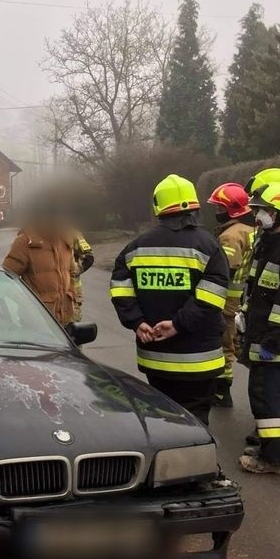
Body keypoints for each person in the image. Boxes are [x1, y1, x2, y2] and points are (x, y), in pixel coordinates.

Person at [110, 174, 229, 425]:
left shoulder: (135, 248)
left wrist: (137, 322)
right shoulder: (209, 247)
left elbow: (120, 289)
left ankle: (165, 463)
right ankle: (196, 463)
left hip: (154, 356)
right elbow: (211, 298)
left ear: (158, 208)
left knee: (162, 421)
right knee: (195, 423)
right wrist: (177, 325)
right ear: (194, 207)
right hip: (199, 360)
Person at [238, 182, 280, 475]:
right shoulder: (269, 243)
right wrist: (244, 314)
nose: (258, 216)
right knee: (270, 397)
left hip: (275, 342)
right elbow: (258, 290)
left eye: (264, 211)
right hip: (263, 335)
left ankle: (276, 460)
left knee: (271, 403)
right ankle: (273, 450)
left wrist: (274, 340)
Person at [206, 183, 255, 408]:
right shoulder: (252, 230)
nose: (217, 212)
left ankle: (221, 392)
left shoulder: (231, 236)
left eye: (219, 207)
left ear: (231, 209)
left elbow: (225, 269)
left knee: (224, 343)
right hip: (245, 297)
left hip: (227, 299)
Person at [3, 217, 77, 325]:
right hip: (37, 324)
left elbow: (72, 274)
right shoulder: (25, 242)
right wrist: (28, 305)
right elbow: (5, 280)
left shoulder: (65, 239)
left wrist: (72, 295)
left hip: (64, 323)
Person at [71, 232, 94, 321]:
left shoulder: (73, 234)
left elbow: (89, 257)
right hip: (48, 294)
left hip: (72, 292)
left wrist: (76, 270)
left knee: (71, 325)